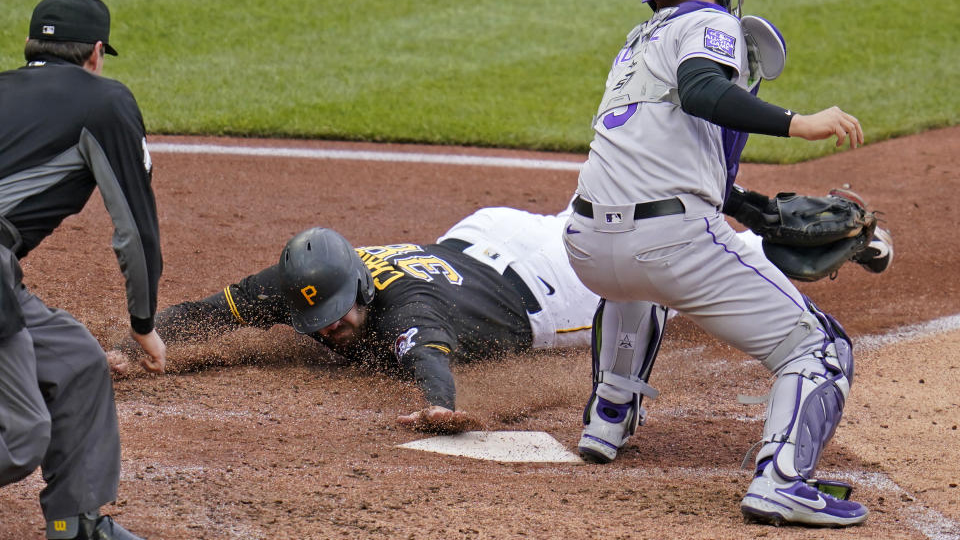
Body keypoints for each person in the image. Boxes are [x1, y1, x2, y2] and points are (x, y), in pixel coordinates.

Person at [561, 0, 871, 528]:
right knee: (822, 346)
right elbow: (704, 88)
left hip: (588, 247)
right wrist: (797, 122)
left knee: (640, 277)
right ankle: (782, 480)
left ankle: (609, 415)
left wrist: (753, 209)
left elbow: (667, 161)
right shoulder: (711, 23)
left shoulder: (636, 44)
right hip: (669, 245)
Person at [140, 190, 890, 435]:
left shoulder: (407, 303)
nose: (331, 326)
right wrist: (140, 338)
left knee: (686, 272)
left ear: (365, 289)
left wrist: (438, 408)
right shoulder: (310, 271)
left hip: (555, 284)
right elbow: (215, 310)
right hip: (483, 233)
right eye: (321, 317)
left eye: (340, 314)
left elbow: (426, 358)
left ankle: (825, 231)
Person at [0, 0, 165, 540]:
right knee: (20, 435)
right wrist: (143, 324)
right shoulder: (105, 102)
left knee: (74, 360)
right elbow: (135, 232)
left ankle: (75, 526)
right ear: (96, 53)